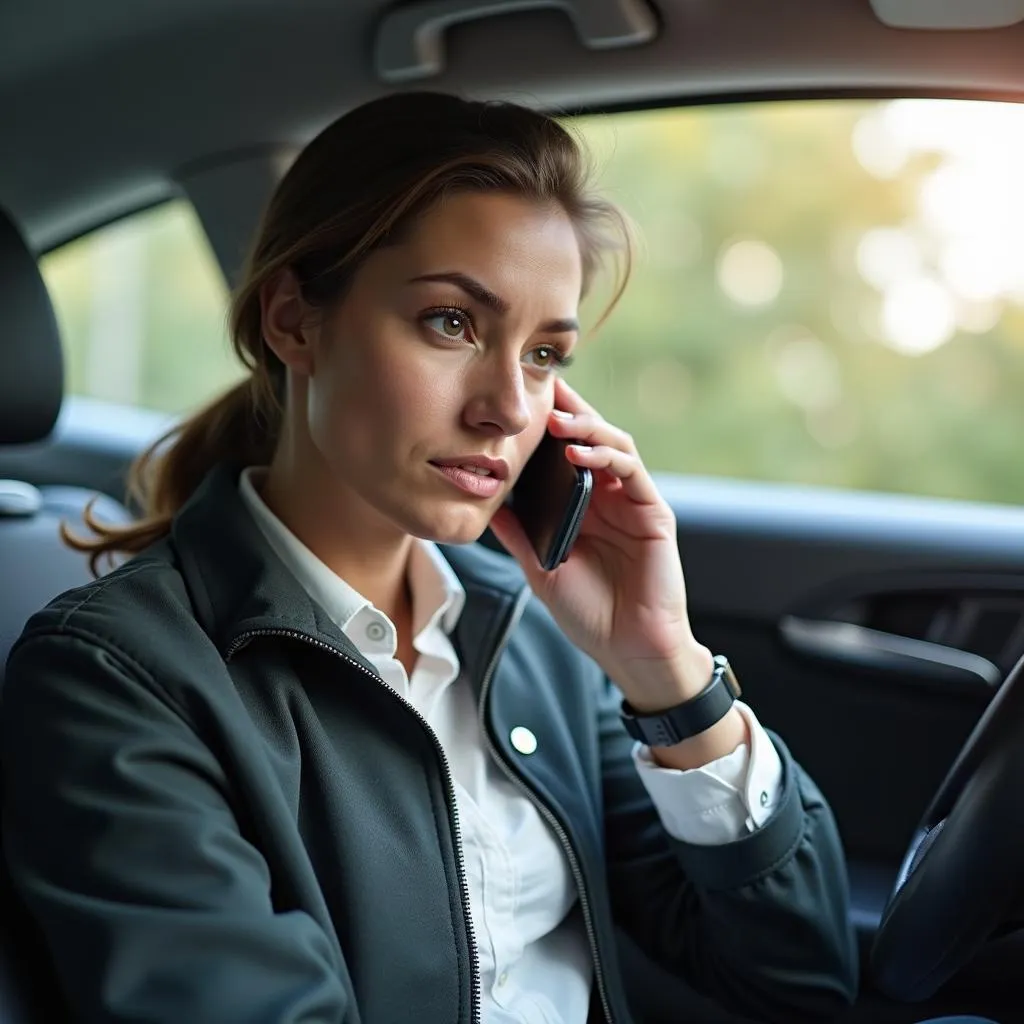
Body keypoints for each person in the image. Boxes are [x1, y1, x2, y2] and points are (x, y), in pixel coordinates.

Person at [1, 90, 896, 1024]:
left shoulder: (526, 635)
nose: (509, 407)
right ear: (294, 322)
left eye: (547, 353)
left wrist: (666, 671)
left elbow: (796, 986)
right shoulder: (120, 674)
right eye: (452, 323)